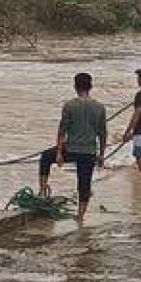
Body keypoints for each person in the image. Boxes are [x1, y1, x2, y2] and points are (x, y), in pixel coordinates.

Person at [38, 72, 106, 223]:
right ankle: (80, 216)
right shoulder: (100, 107)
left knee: (45, 157)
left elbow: (62, 130)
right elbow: (102, 133)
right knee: (84, 183)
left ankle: (43, 191)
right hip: (89, 152)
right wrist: (101, 155)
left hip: (71, 149)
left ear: (75, 87)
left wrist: (59, 153)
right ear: (91, 87)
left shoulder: (69, 105)